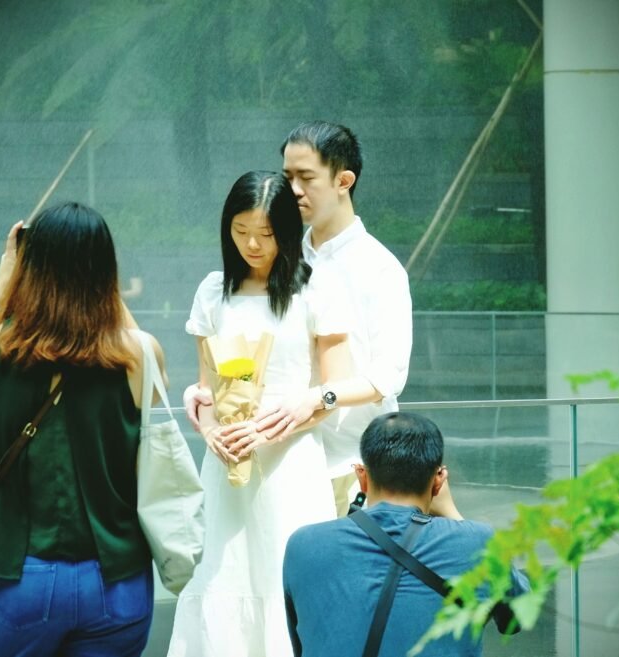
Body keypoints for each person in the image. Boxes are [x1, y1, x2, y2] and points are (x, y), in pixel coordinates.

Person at [0, 202, 167, 657]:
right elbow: (154, 395)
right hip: (116, 579)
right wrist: (101, 287)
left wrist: (1, 285)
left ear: (28, 266)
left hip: (17, 579)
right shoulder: (138, 353)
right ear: (107, 269)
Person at [166, 171, 377, 657]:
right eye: (240, 233)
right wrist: (211, 429)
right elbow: (207, 387)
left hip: (291, 461)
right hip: (229, 465)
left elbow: (335, 388)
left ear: (285, 230)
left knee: (286, 573)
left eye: (265, 234)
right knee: (223, 575)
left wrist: (295, 412)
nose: (253, 245)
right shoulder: (213, 292)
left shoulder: (318, 288)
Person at [186, 121, 417, 518]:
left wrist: (319, 396)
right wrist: (208, 393)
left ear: (344, 180)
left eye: (306, 177)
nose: (292, 189)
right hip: (272, 453)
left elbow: (388, 376)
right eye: (287, 175)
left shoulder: (379, 268)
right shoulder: (277, 257)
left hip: (350, 461)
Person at [283, 412, 529, 657]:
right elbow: (517, 617)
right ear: (438, 480)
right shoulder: (477, 542)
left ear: (362, 477)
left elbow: (303, 643)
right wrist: (452, 513)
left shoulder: (304, 545)